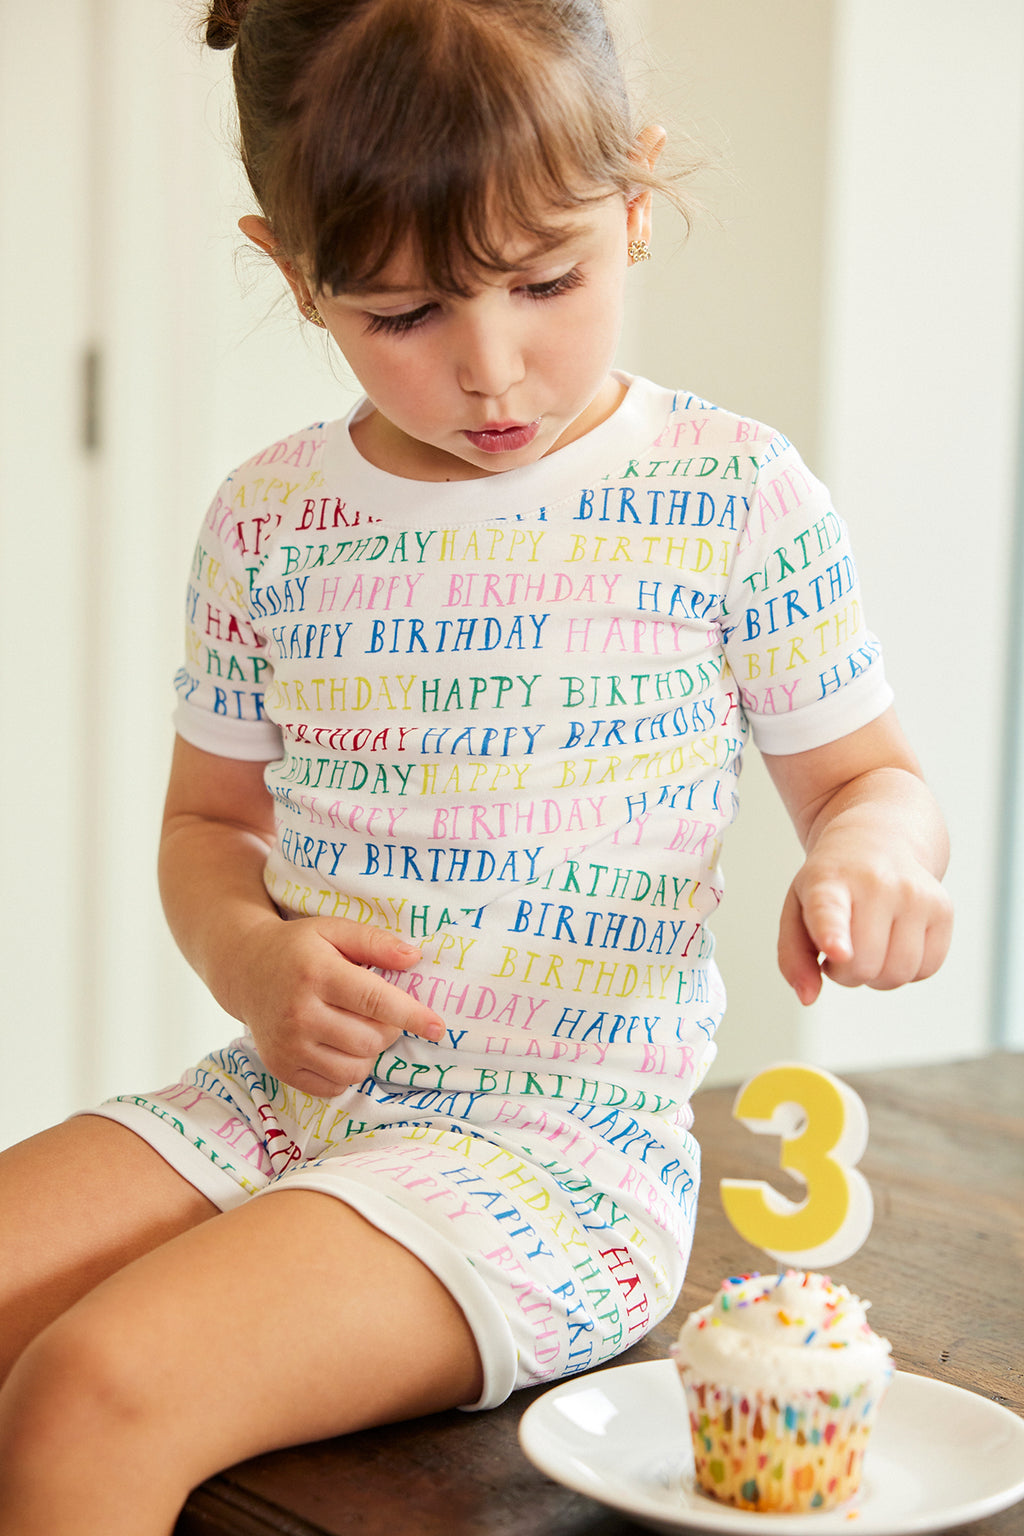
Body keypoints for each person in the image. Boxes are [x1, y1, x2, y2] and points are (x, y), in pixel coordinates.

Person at [0, 2, 953, 1531]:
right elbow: (205, 826)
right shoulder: (269, 521)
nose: (494, 370)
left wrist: (872, 859)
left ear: (634, 202)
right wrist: (252, 955)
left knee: (88, 1395)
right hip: (282, 1107)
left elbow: (868, 783)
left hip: (552, 1166)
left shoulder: (732, 495)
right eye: (404, 316)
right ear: (289, 271)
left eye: (547, 281)